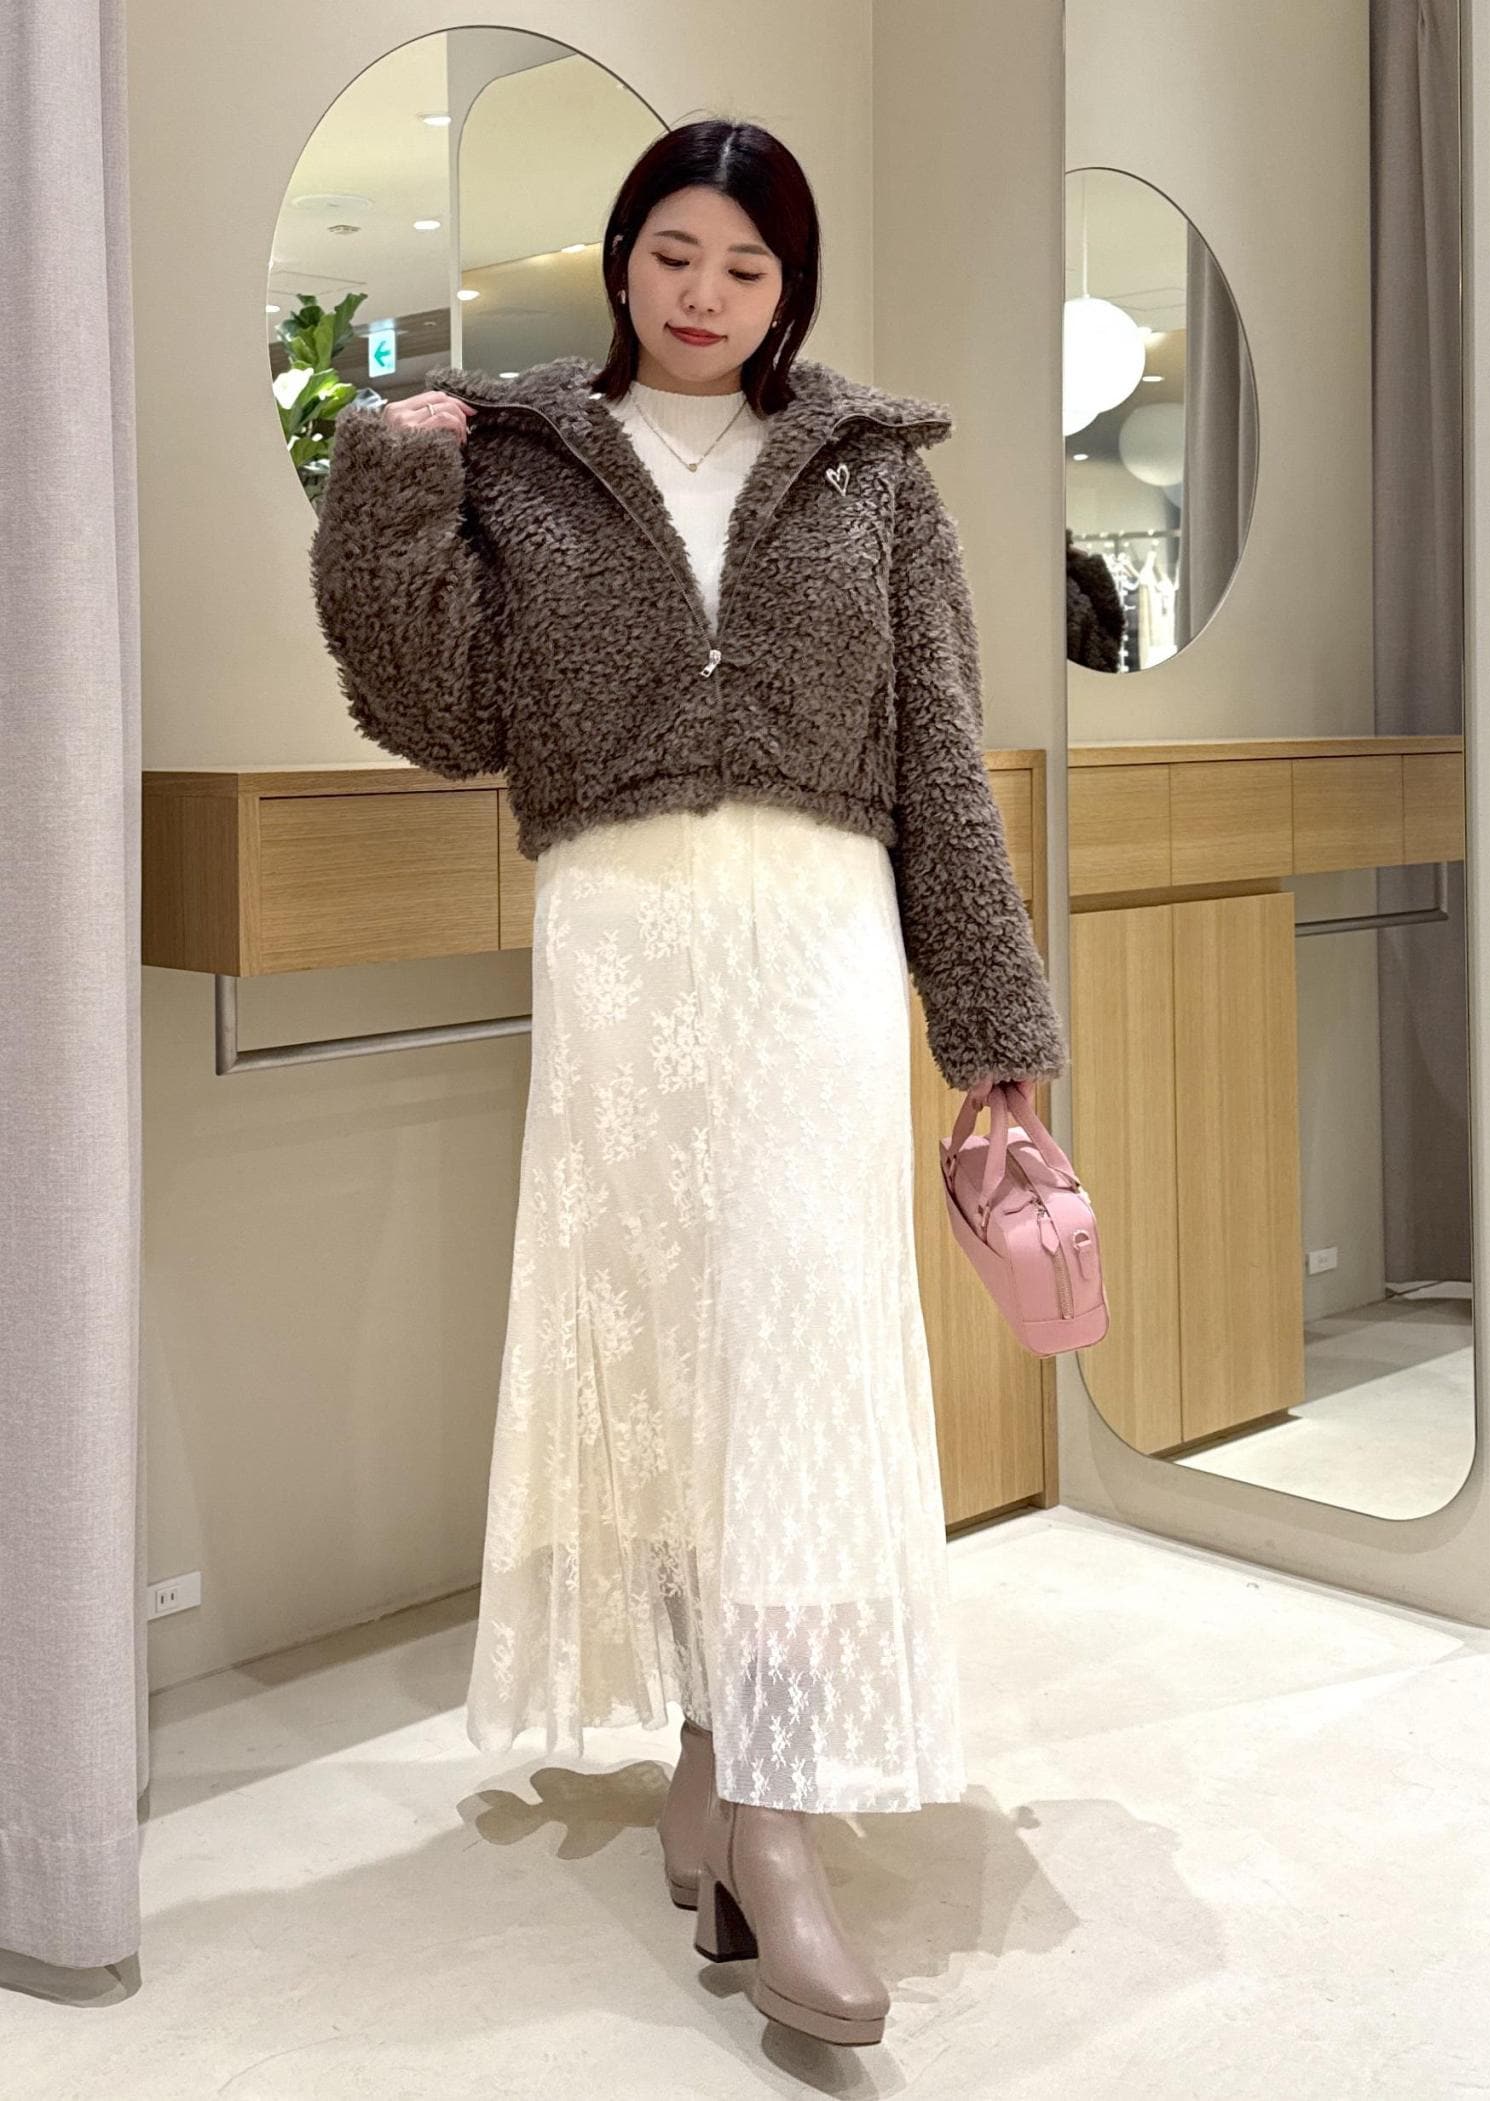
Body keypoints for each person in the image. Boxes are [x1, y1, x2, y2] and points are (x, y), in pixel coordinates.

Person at [310, 115, 1067, 2051]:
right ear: (620, 257)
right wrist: (389, 495)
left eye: (745, 265)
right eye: (673, 254)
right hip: (624, 957)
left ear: (788, 286)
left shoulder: (874, 476)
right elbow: (437, 709)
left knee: (794, 1354)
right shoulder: (535, 461)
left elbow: (940, 752)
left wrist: (992, 1022)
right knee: (666, 1360)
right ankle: (712, 1754)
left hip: (815, 954)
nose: (705, 294)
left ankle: (773, 1829)